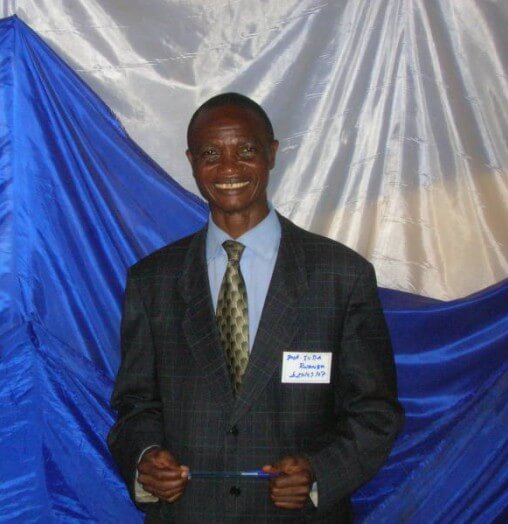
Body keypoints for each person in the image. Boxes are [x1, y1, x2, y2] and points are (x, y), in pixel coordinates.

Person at [108, 93, 403, 522]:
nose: (228, 168)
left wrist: (319, 472)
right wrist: (145, 458)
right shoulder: (152, 280)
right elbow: (135, 405)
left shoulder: (341, 276)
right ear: (191, 161)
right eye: (211, 154)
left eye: (246, 150)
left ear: (272, 153)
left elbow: (375, 412)